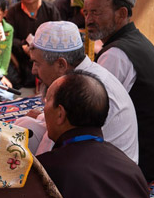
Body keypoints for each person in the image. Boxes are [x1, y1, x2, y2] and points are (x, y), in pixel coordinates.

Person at [37, 71, 154, 198]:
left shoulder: (45, 171)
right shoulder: (130, 167)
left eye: (46, 102)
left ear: (60, 114)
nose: (43, 109)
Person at [84, 0, 154, 181]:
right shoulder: (134, 41)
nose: (89, 20)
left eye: (96, 13)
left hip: (142, 163)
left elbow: (94, 112)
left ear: (121, 14)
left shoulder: (116, 55)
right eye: (86, 13)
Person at [18, 21, 139, 162]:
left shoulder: (81, 90)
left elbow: (54, 145)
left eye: (37, 63)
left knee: (23, 136)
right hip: (106, 161)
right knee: (27, 123)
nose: (33, 70)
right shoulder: (87, 75)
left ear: (61, 64)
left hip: (101, 170)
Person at [6, 0, 60, 88]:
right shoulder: (13, 12)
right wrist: (23, 46)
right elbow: (9, 36)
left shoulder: (50, 9)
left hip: (47, 53)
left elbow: (58, 32)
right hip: (23, 54)